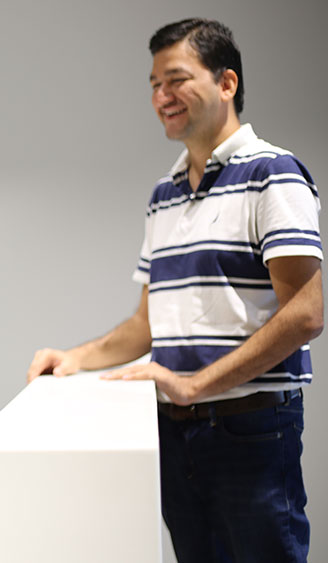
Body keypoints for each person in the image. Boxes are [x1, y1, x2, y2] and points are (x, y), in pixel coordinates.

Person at [26, 19, 321, 562]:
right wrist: (74, 358)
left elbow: (306, 315)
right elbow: (145, 325)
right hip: (173, 435)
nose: (162, 96)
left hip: (250, 431)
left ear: (226, 83)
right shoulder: (164, 194)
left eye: (177, 79)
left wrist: (194, 385)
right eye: (154, 84)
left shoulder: (272, 173)